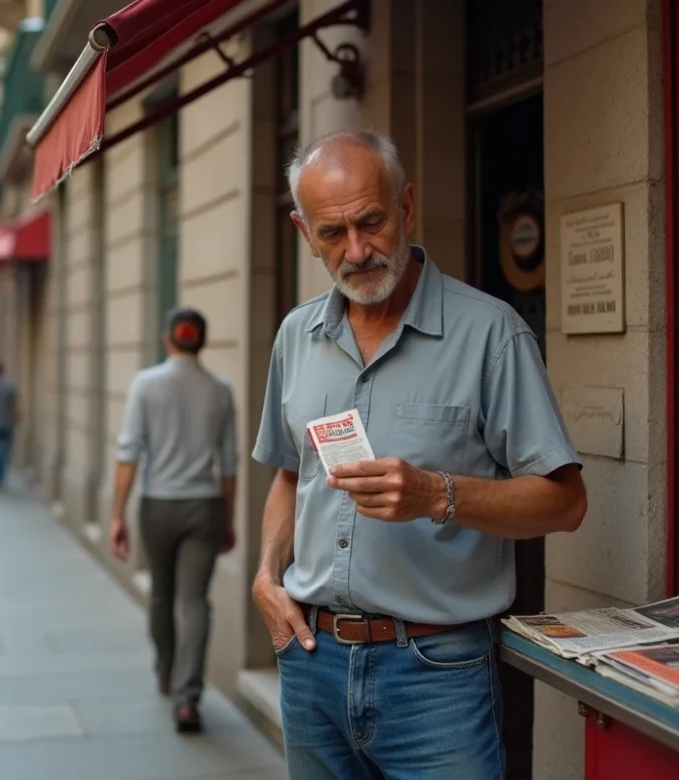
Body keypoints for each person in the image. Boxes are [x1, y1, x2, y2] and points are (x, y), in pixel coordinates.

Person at [250, 129, 587, 779]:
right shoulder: (295, 336)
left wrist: (438, 494)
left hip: (437, 676)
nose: (357, 251)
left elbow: (566, 503)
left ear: (406, 206)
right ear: (304, 233)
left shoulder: (491, 333)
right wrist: (267, 576)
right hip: (311, 664)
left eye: (371, 222)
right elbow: (291, 475)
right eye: (332, 233)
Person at [108, 308, 238, 732]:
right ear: (202, 341)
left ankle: (166, 669)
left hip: (158, 505)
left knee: (161, 595)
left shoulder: (145, 384)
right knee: (195, 601)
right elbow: (229, 463)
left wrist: (117, 514)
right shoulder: (221, 391)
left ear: (168, 339)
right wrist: (229, 517)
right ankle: (188, 699)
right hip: (205, 506)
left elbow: (128, 452)